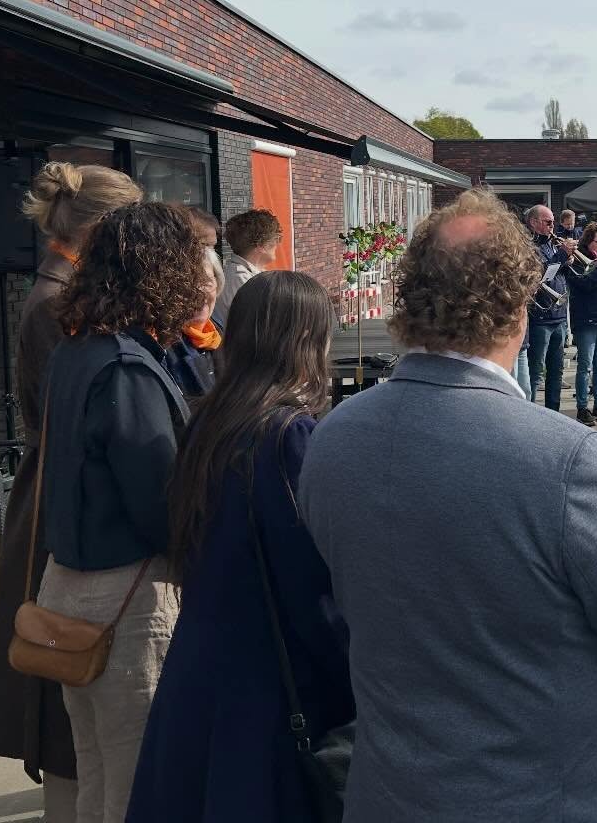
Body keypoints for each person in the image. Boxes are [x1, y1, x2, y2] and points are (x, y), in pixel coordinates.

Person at [300, 188, 597, 821]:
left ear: (409, 302)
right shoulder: (565, 460)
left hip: (389, 794)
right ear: (518, 306)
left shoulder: (331, 438)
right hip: (539, 799)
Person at [127, 271, 355, 822]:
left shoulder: (211, 418)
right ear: (307, 340)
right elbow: (308, 583)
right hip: (265, 687)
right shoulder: (286, 435)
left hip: (201, 669)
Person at [0, 162, 141, 821]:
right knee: (65, 683)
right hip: (60, 503)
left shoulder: (64, 290)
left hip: (63, 491)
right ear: (105, 227)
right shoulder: (57, 303)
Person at [36, 202, 205, 822]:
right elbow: (158, 503)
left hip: (68, 589)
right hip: (123, 601)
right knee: (137, 786)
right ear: (168, 273)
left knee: (97, 776)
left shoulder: (76, 351)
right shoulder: (126, 369)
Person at [523, 203, 575, 410]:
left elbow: (559, 273)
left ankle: (554, 414)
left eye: (553, 222)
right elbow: (539, 275)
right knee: (535, 372)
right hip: (540, 318)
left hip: (559, 316)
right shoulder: (528, 245)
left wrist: (569, 262)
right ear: (534, 222)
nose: (553, 227)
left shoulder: (553, 244)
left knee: (557, 370)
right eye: (548, 222)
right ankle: (531, 415)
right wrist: (561, 256)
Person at [569, 222, 597, 426]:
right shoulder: (576, 260)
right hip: (586, 318)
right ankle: (582, 408)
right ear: (588, 241)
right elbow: (584, 284)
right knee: (585, 366)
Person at [164, 246, 224, 402]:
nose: (199, 291)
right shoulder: (164, 344)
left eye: (206, 282)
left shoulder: (221, 332)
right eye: (187, 283)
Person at [215, 208, 283, 328]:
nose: (278, 243)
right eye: (277, 239)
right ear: (261, 245)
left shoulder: (242, 275)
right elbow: (266, 328)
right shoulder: (243, 280)